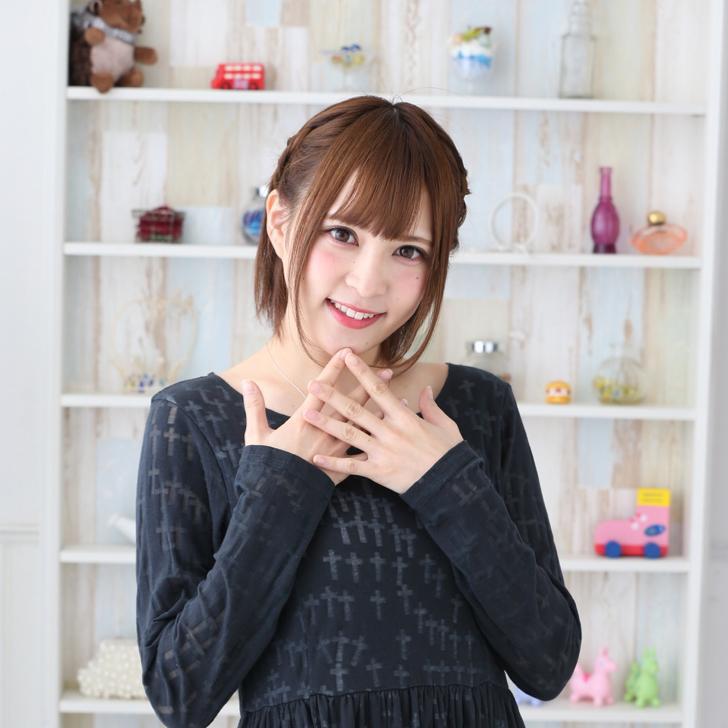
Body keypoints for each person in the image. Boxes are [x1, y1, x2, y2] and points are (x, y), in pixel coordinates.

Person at [135, 95, 582, 728]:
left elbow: (549, 661)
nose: (369, 282)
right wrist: (281, 492)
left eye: (409, 250)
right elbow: (180, 693)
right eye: (342, 234)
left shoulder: (478, 408)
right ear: (281, 222)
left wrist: (445, 483)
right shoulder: (193, 418)